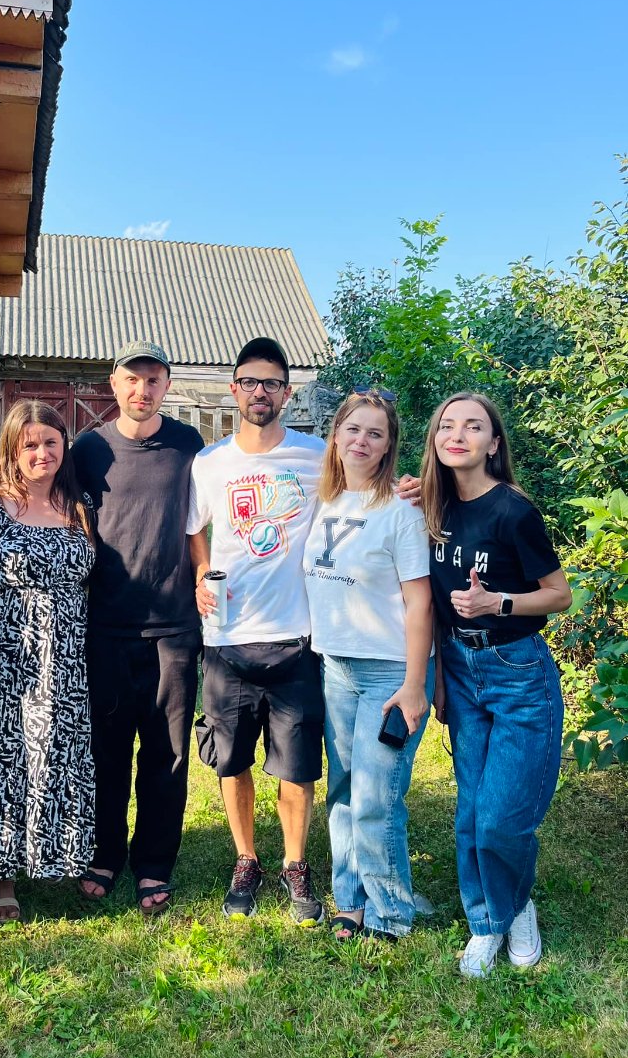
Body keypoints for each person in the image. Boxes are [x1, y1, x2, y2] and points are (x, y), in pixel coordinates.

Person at [421, 392, 571, 977]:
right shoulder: (431, 507)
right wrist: (438, 676)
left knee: (503, 817)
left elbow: (558, 594)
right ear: (436, 439)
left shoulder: (513, 511)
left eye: (473, 426)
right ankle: (486, 923)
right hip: (460, 670)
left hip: (518, 672)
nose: (457, 434)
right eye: (447, 425)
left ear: (493, 444)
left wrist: (497, 602)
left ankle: (516, 906)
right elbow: (434, 605)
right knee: (470, 812)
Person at [189, 337, 328, 925]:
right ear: (234, 389)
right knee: (232, 761)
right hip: (227, 638)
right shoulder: (210, 463)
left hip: (297, 634)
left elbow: (363, 495)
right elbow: (195, 529)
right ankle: (246, 859)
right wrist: (201, 571)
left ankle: (295, 864)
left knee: (296, 765)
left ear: (287, 393)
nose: (259, 392)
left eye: (271, 383)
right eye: (249, 381)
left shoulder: (318, 456)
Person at [0, 401, 95, 922]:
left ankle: (54, 856)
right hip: (5, 663)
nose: (41, 453)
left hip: (65, 663)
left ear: (64, 446)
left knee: (56, 759)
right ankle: (0, 879)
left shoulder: (78, 505)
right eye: (29, 444)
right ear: (11, 449)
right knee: (4, 766)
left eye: (50, 442)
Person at [71, 341, 203, 916]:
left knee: (167, 755)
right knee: (105, 750)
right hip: (105, 625)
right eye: (132, 379)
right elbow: (57, 510)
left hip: (174, 627)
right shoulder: (89, 449)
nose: (142, 390)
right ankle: (104, 853)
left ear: (166, 386)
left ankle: (153, 862)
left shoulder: (189, 446)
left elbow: (210, 518)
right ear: (114, 383)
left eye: (153, 380)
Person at [303, 389, 434, 942]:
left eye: (375, 433)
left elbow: (420, 602)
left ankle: (390, 913)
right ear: (336, 435)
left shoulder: (402, 511)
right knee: (343, 790)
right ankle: (350, 900)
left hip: (390, 673)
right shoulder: (324, 501)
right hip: (336, 667)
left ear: (388, 446)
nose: (362, 440)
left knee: (377, 798)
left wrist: (414, 684)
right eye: (353, 429)